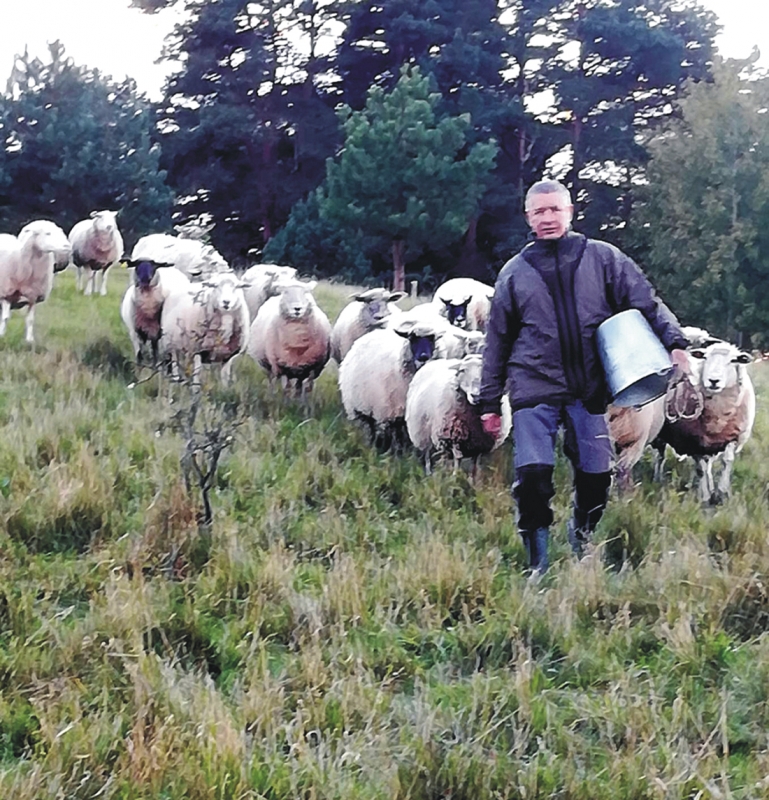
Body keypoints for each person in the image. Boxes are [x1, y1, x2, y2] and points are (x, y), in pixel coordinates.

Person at [478, 180, 690, 574]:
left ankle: (582, 535)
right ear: (528, 217)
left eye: (554, 210)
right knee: (533, 477)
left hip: (590, 389)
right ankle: (537, 563)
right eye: (539, 212)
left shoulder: (603, 258)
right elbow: (497, 341)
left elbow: (644, 299)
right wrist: (489, 402)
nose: (547, 218)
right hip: (533, 388)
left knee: (596, 474)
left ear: (570, 212)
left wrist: (674, 341)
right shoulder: (514, 273)